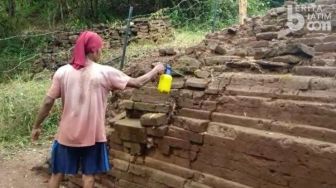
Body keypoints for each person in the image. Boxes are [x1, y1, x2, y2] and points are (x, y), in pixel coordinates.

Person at [31, 31, 164, 188]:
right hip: (92, 137)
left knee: (57, 173)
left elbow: (48, 102)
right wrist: (156, 70)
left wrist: (36, 126)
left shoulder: (62, 72)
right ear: (94, 50)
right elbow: (137, 82)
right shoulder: (105, 72)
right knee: (89, 177)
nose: (101, 52)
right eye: (100, 49)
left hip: (66, 136)